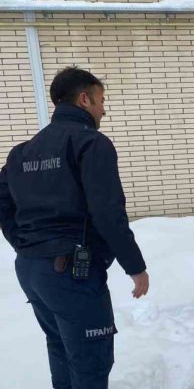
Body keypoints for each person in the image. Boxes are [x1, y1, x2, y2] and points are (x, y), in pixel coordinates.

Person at [0, 67, 149, 389]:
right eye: (101, 101)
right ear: (84, 99)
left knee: (62, 349)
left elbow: (4, 205)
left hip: (31, 270)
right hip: (71, 272)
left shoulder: (21, 152)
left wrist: (28, 246)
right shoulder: (90, 143)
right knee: (91, 362)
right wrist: (135, 267)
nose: (104, 109)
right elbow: (108, 213)